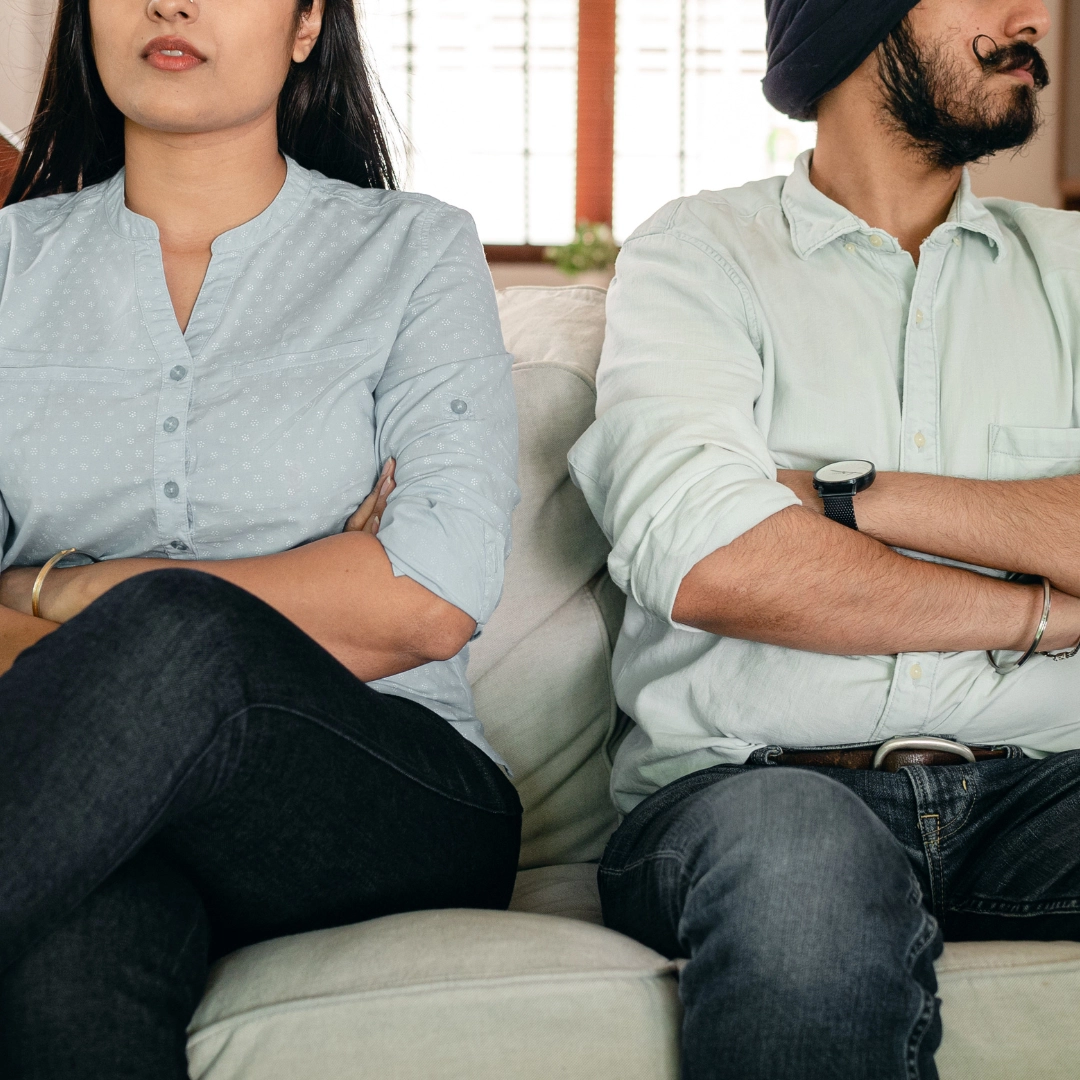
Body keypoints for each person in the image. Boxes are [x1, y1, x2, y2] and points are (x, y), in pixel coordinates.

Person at [0, 0, 522, 1076]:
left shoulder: (414, 251)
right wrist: (326, 572)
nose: (170, 4)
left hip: (380, 793)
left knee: (187, 635)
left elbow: (428, 596)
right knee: (68, 976)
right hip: (91, 815)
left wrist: (54, 589)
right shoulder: (10, 266)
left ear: (304, 24)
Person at [568, 0, 1080, 1076]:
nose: (1033, 16)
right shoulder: (700, 254)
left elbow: (763, 530)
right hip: (753, 792)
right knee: (803, 865)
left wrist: (844, 495)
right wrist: (1038, 611)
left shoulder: (1071, 268)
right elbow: (716, 559)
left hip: (1044, 791)